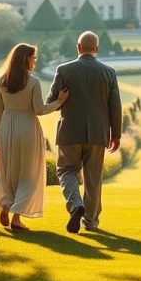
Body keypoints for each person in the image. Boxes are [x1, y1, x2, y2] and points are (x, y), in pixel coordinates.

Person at [47, 30, 122, 234]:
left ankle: (74, 204)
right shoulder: (109, 72)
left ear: (78, 47)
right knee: (93, 178)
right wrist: (116, 134)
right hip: (98, 134)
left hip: (69, 131)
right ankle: (90, 221)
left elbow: (50, 102)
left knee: (65, 170)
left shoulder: (64, 70)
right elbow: (115, 105)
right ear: (96, 49)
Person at [0, 43, 69, 231]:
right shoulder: (33, 82)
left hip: (6, 128)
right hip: (27, 127)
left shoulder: (1, 80)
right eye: (34, 57)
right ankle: (16, 217)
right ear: (26, 58)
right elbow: (40, 110)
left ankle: (5, 205)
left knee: (8, 171)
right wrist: (59, 101)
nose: (35, 60)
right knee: (29, 173)